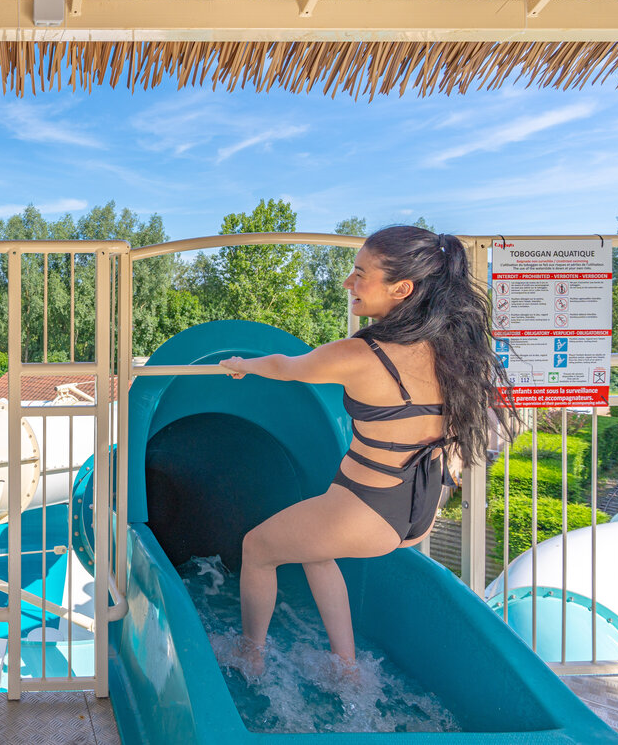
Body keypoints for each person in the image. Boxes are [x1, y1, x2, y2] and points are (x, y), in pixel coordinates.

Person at [219, 226, 512, 675]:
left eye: (359, 274)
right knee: (313, 546)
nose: (347, 284)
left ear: (402, 288)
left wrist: (241, 365)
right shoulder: (454, 348)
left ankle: (250, 657)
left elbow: (285, 367)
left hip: (367, 507)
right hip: (421, 507)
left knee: (257, 547)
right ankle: (346, 664)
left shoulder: (360, 354)